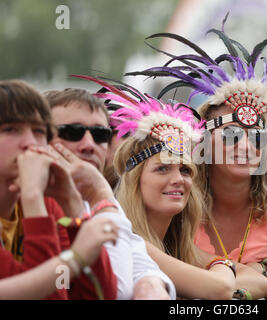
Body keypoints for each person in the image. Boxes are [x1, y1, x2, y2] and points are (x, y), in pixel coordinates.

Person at [132, 17, 267, 300]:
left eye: (256, 136)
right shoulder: (178, 201)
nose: (245, 145)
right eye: (231, 135)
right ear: (204, 141)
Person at [76, 76, 267, 300]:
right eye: (163, 169)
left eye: (185, 170)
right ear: (135, 180)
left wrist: (224, 276)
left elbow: (258, 281)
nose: (178, 179)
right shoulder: (125, 236)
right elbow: (221, 288)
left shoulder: (177, 243)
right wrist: (224, 267)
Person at [43, 86, 175, 299]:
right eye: (72, 132)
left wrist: (150, 283)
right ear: (40, 137)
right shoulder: (25, 201)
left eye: (99, 134)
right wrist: (102, 196)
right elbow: (117, 291)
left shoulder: (94, 203)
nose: (88, 145)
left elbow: (143, 268)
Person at [0, 79, 117, 300]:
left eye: (38, 131)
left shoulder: (51, 206)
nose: (28, 142)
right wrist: (33, 197)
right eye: (10, 129)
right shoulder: (37, 201)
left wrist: (72, 207)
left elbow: (96, 295)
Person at [0, 217, 118, 300]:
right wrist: (34, 206)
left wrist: (73, 209)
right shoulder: (34, 201)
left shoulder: (48, 203)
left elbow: (102, 295)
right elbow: (51, 296)